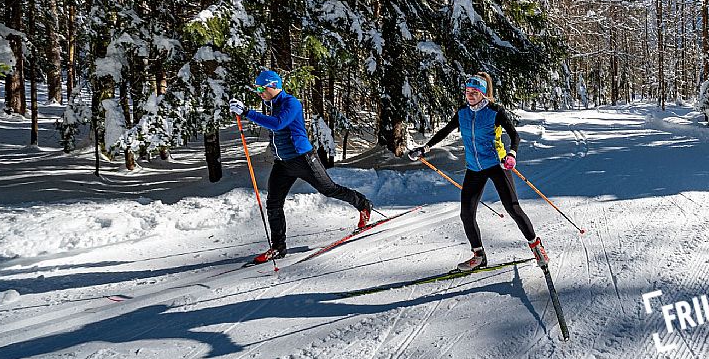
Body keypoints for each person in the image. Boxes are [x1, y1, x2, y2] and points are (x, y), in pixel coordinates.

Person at [407, 72, 549, 271]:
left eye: (474, 92)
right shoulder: (463, 113)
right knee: (466, 213)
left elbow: (514, 136)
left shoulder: (494, 111)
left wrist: (512, 154)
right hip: (474, 168)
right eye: (467, 91)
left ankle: (536, 246)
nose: (470, 95)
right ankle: (479, 255)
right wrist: (425, 148)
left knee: (512, 207)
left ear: (483, 93)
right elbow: (444, 132)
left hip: (496, 165)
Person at [230, 69, 372, 263]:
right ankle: (278, 247)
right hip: (282, 163)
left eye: (261, 88)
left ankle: (362, 204)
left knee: (329, 189)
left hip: (303, 159)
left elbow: (278, 123)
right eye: (257, 89)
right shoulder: (272, 105)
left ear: (273, 86)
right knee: (273, 204)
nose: (259, 92)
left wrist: (247, 112)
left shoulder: (291, 103)